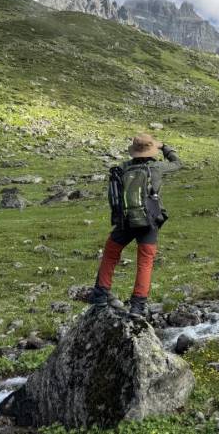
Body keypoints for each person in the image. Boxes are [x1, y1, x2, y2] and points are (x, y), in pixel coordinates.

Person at [89, 133, 181, 316]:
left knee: (110, 254)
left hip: (126, 221)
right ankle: (137, 306)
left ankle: (100, 297)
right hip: (149, 221)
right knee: (145, 262)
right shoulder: (156, 167)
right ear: (150, 150)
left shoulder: (123, 168)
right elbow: (178, 163)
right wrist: (164, 147)